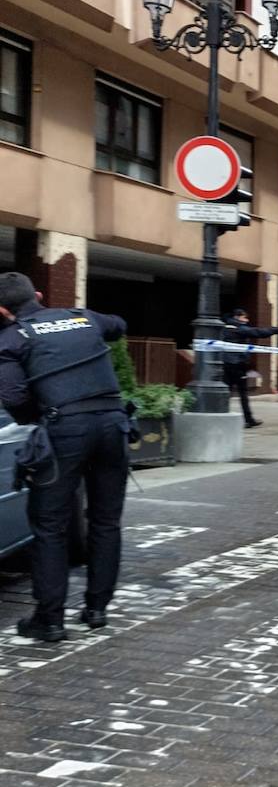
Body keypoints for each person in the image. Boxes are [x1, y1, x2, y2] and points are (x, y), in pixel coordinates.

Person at [0, 272, 128, 643]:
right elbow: (118, 326)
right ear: (37, 295)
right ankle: (97, 609)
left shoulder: (11, 338)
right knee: (105, 520)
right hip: (113, 425)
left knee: (49, 525)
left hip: (64, 431)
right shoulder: (82, 318)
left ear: (4, 310)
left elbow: (11, 395)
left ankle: (49, 620)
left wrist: (37, 418)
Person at [222, 309, 278, 428]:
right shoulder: (239, 328)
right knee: (243, 393)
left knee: (226, 392)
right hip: (238, 364)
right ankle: (248, 419)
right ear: (238, 317)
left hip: (225, 363)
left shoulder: (224, 328)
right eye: (245, 318)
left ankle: (222, 416)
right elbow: (258, 332)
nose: (247, 320)